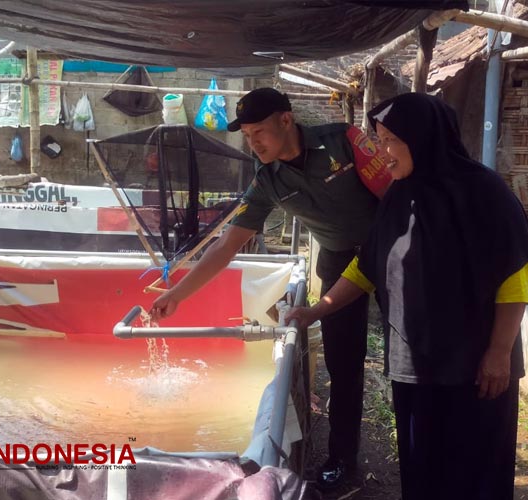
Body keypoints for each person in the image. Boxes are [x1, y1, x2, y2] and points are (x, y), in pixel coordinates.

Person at [287, 92, 528, 500]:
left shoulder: (485, 193)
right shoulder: (399, 197)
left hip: (476, 365)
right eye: (379, 141)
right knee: (423, 467)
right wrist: (314, 311)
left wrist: (499, 351)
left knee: (476, 466)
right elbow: (366, 268)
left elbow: (516, 272)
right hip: (415, 364)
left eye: (389, 141)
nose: (382, 153)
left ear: (423, 138)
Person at [150, 87, 379, 489]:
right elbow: (226, 247)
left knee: (412, 351)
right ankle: (343, 459)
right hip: (339, 261)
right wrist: (177, 295)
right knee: (343, 367)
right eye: (247, 136)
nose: (253, 143)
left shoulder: (342, 140)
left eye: (260, 132)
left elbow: (396, 196)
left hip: (389, 250)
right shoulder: (266, 181)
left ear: (286, 120)